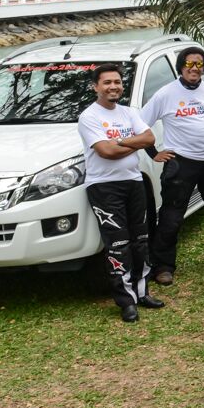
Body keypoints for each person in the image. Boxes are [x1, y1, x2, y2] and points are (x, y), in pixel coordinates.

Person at [77, 64, 167, 322]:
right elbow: (105, 152)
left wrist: (118, 141)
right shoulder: (89, 117)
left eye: (117, 81)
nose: (113, 86)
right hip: (104, 187)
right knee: (118, 245)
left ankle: (141, 292)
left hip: (134, 182)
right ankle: (126, 301)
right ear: (96, 87)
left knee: (140, 240)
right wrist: (130, 143)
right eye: (107, 82)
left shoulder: (129, 113)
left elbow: (148, 138)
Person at [140, 44, 204, 285]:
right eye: (189, 64)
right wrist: (154, 153)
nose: (194, 68)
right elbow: (140, 126)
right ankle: (163, 266)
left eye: (199, 64)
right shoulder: (165, 94)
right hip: (181, 163)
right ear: (181, 67)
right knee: (172, 216)